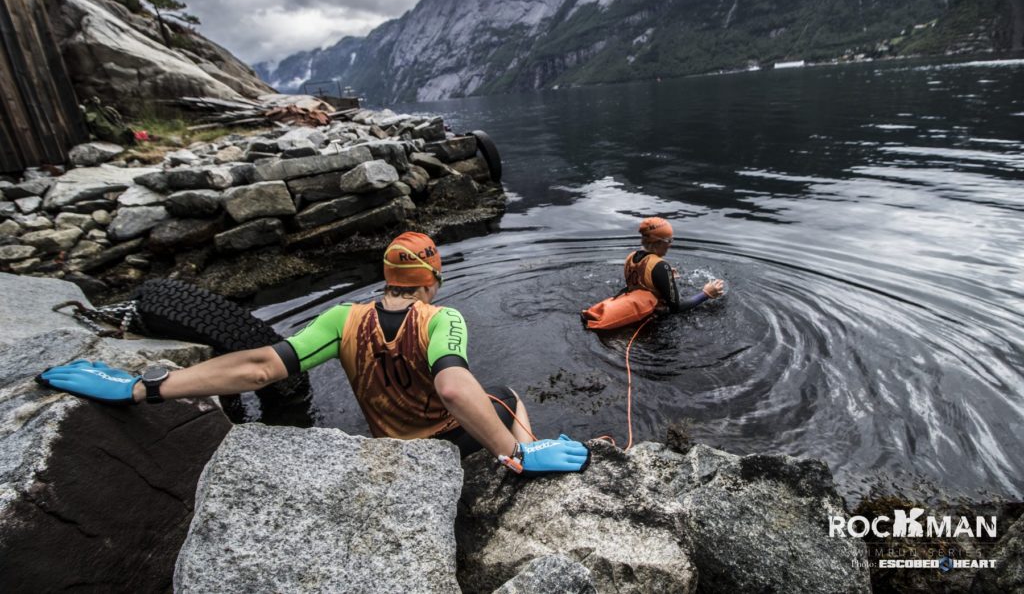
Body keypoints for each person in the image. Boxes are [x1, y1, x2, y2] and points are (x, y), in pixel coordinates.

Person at [37, 232, 589, 476]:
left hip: (389, 441)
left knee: (481, 395)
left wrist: (144, 386)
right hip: (446, 443)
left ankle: (515, 452)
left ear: (388, 278)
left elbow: (256, 368)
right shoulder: (442, 318)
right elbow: (450, 386)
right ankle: (530, 457)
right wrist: (510, 453)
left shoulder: (341, 318)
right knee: (506, 396)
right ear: (431, 282)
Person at [626, 216, 725, 313]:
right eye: (669, 240)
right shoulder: (660, 266)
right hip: (654, 318)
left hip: (639, 308)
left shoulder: (631, 257)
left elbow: (641, 283)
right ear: (658, 242)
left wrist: (662, 278)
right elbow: (675, 308)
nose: (670, 244)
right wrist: (706, 294)